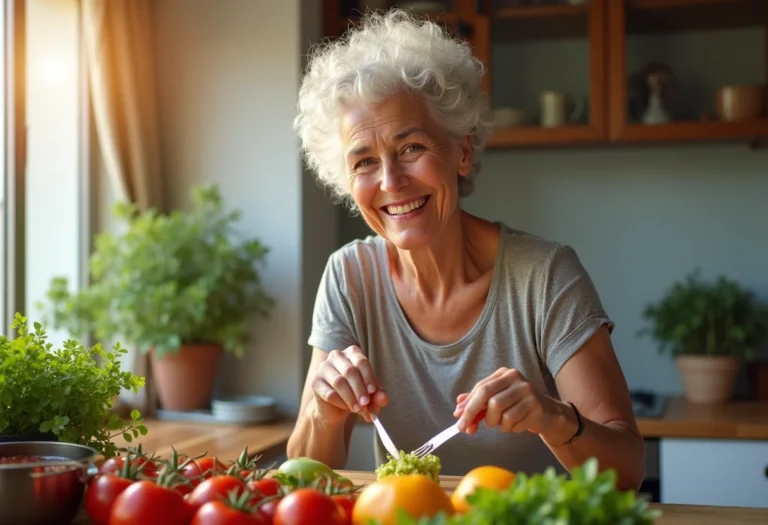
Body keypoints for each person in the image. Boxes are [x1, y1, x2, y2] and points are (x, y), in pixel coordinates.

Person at [287, 9, 645, 490]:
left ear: (462, 151)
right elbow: (304, 478)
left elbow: (626, 472)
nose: (391, 182)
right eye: (365, 162)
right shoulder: (348, 276)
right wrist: (323, 412)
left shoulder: (544, 275)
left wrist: (553, 418)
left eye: (411, 147)